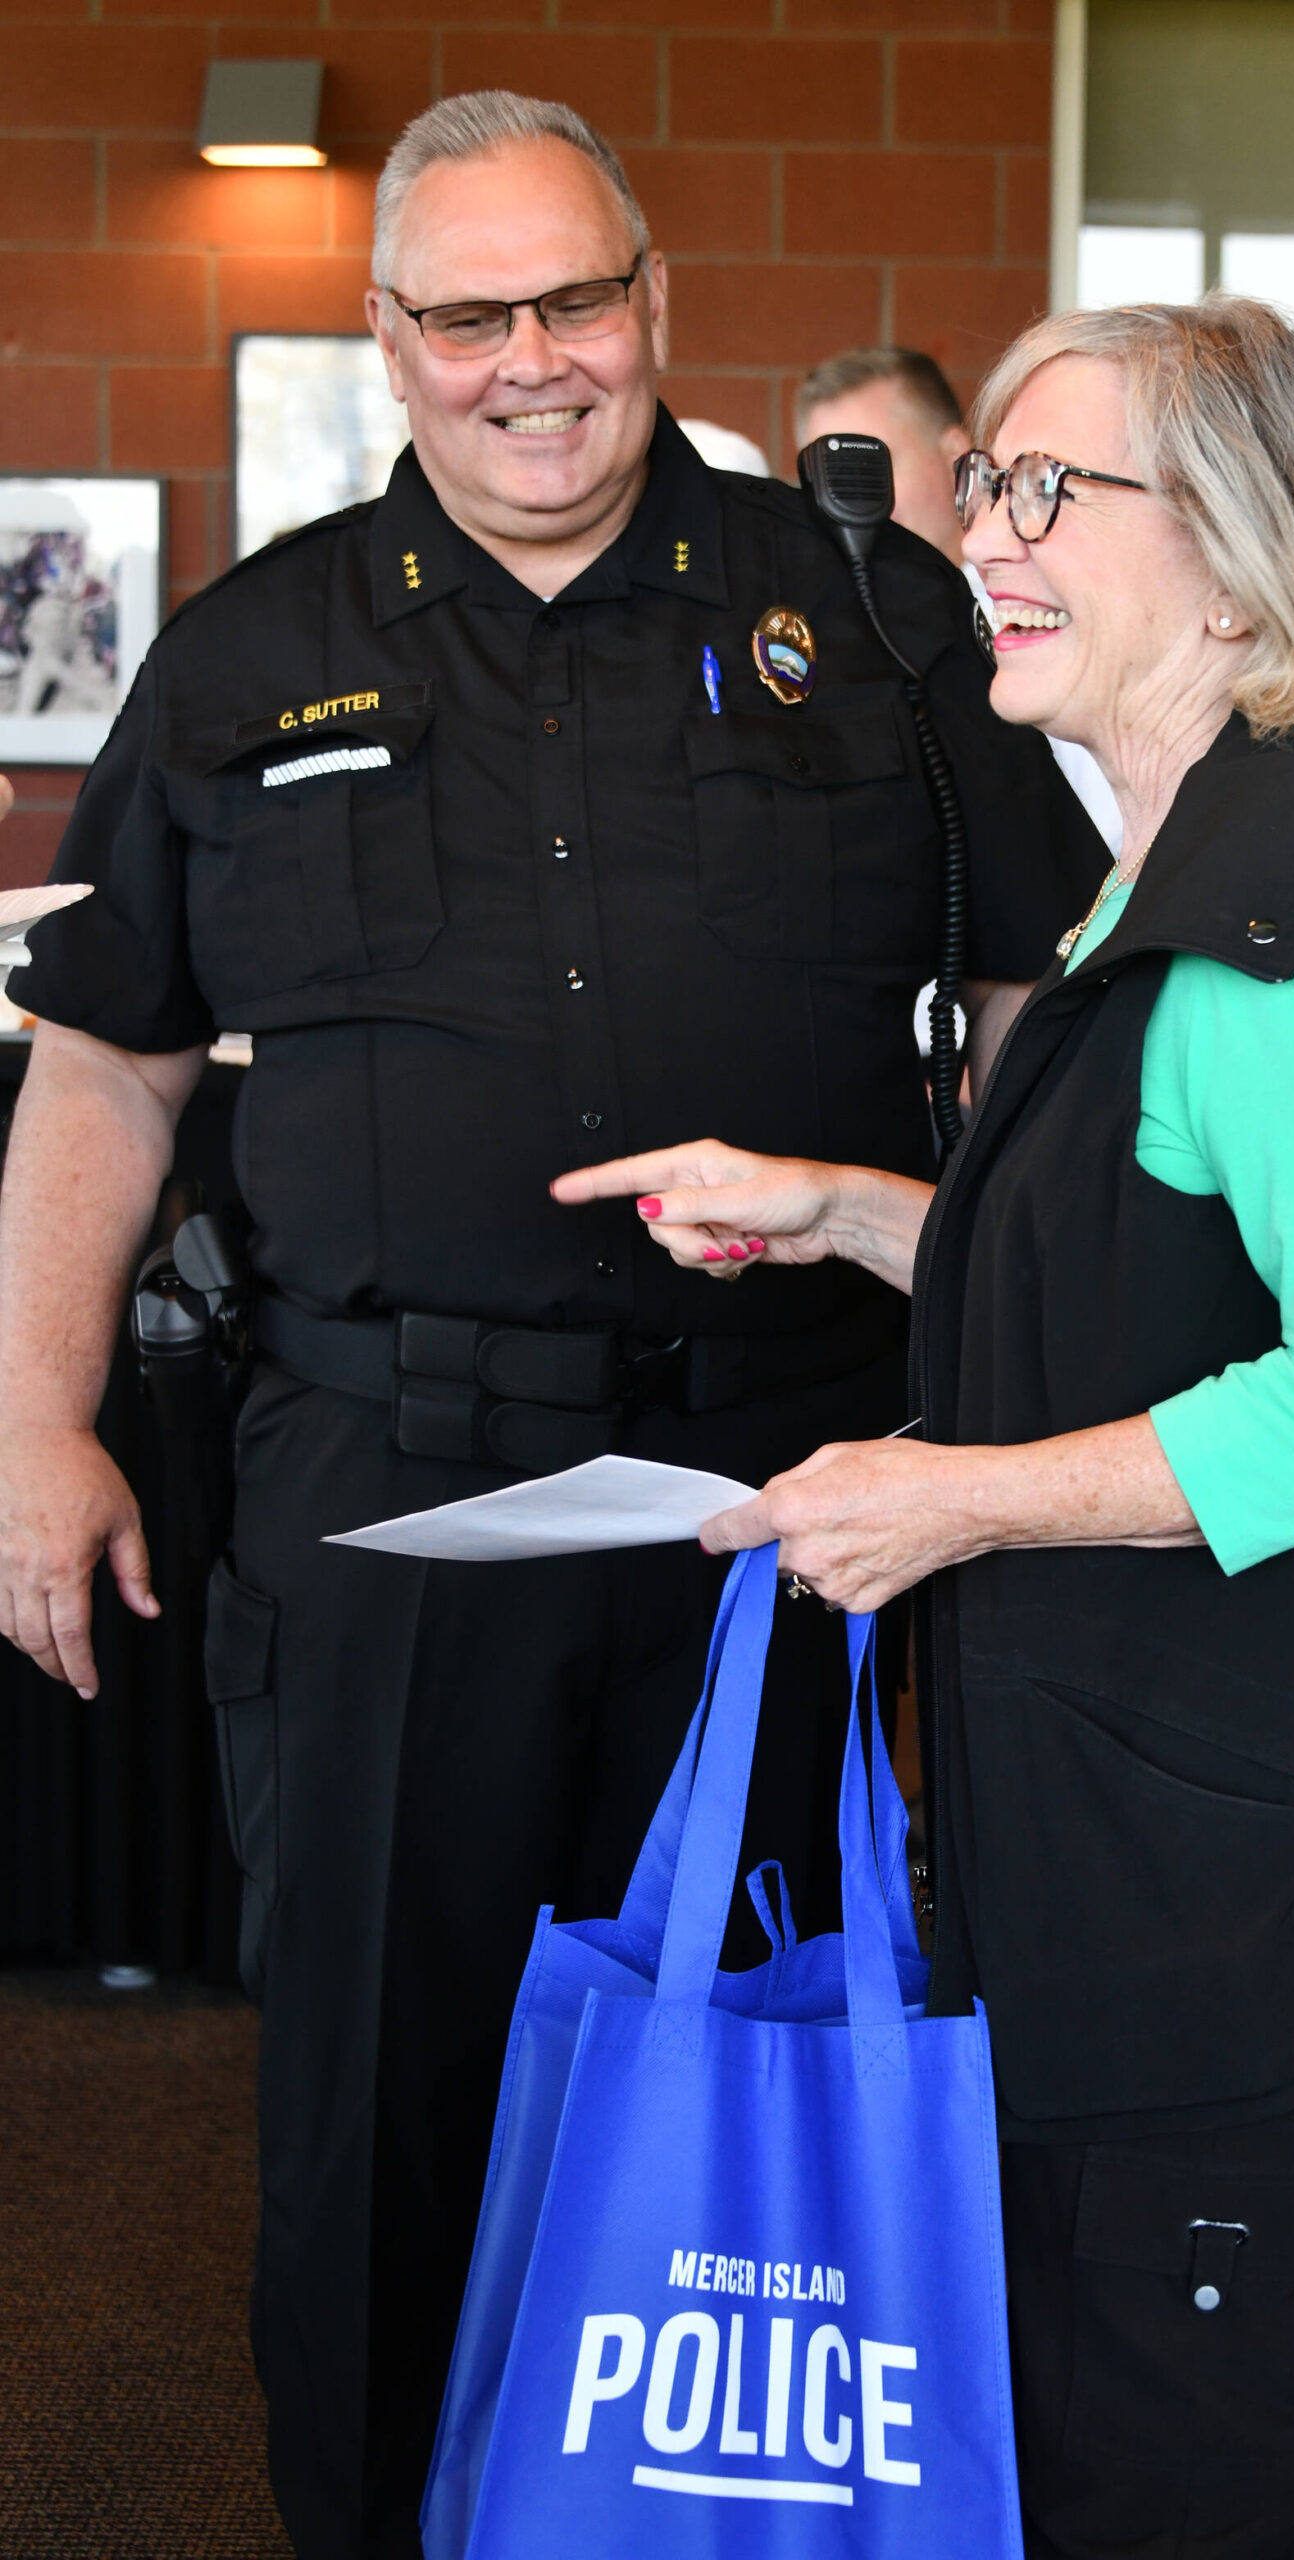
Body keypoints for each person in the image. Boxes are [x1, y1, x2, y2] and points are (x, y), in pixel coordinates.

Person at [0, 91, 1104, 2560]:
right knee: (383, 2123)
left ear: (653, 304)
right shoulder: (244, 655)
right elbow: (104, 1063)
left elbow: (1044, 1000)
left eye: (570, 300)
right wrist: (26, 1420)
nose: (529, 362)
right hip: (395, 1509)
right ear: (388, 341)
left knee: (770, 2095)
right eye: (465, 313)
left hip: (784, 1511)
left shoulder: (872, 613)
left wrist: (996, 1311)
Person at [556, 298, 1294, 2560]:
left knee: (1185, 2472)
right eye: (991, 487)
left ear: (1245, 572)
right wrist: (855, 1210)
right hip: (1194, 1845)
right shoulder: (1173, 868)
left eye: (1054, 493)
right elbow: (1130, 1257)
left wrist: (943, 1500)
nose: (988, 536)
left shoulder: (1288, 907)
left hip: (1270, 1893)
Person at [799, 345, 1123, 853]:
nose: (854, 504)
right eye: (831, 480)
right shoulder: (824, 636)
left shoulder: (1043, 612)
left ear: (955, 454)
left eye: (874, 468)